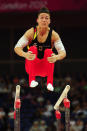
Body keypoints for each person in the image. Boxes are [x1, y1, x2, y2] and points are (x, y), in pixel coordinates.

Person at [14, 7, 66, 91]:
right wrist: (25, 54)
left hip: (46, 69)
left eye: (46, 18)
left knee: (49, 52)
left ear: (49, 21)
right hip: (32, 68)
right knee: (32, 49)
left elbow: (63, 53)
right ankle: (32, 80)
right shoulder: (31, 32)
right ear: (37, 20)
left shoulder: (53, 35)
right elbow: (17, 47)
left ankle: (49, 83)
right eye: (42, 18)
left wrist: (56, 57)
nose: (44, 20)